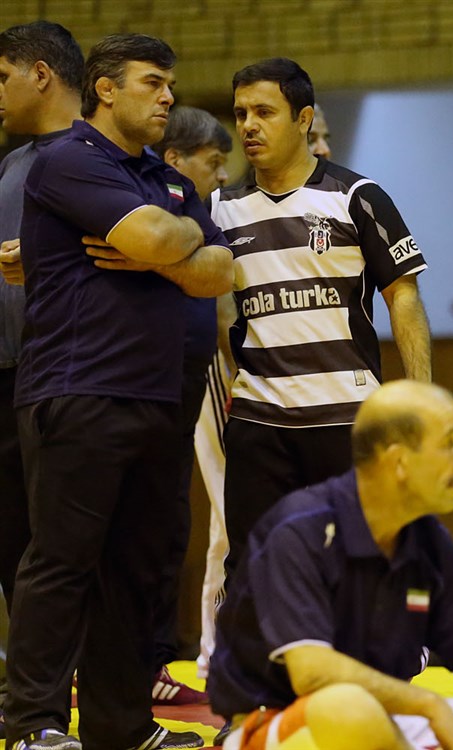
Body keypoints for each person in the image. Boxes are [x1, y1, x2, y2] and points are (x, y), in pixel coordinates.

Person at [4, 33, 232, 750]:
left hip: (159, 396)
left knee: (137, 572)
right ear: (105, 89)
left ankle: (121, 727)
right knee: (63, 562)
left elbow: (221, 270)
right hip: (80, 388)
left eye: (169, 84)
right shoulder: (68, 159)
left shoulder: (165, 177)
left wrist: (163, 250)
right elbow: (171, 244)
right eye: (151, 83)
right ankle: (34, 723)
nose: (168, 97)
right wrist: (173, 248)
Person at [208, 381, 453, 750]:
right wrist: (428, 704)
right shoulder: (300, 529)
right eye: (450, 444)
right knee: (345, 706)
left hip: (390, 721)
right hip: (287, 720)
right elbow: (313, 673)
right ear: (399, 461)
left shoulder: (428, 538)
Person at [212, 58, 432, 583]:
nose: (248, 126)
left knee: (362, 563)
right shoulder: (218, 208)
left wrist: (421, 399)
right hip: (259, 422)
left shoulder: (357, 197)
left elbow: (403, 295)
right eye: (241, 113)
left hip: (347, 418)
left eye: (264, 112)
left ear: (304, 118)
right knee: (255, 570)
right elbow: (214, 303)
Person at [0, 21, 84, 734]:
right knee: (12, 544)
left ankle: (63, 701)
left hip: (62, 377)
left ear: (40, 74)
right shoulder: (10, 165)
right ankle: (28, 701)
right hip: (7, 378)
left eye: (2, 78)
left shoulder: (94, 158)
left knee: (54, 549)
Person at [144, 104, 233, 707]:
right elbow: (221, 302)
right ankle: (216, 654)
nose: (223, 172)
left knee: (184, 523)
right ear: (175, 159)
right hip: (202, 375)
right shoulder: (173, 209)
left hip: (188, 376)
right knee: (230, 512)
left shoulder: (202, 208)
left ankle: (202, 653)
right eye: (215, 160)